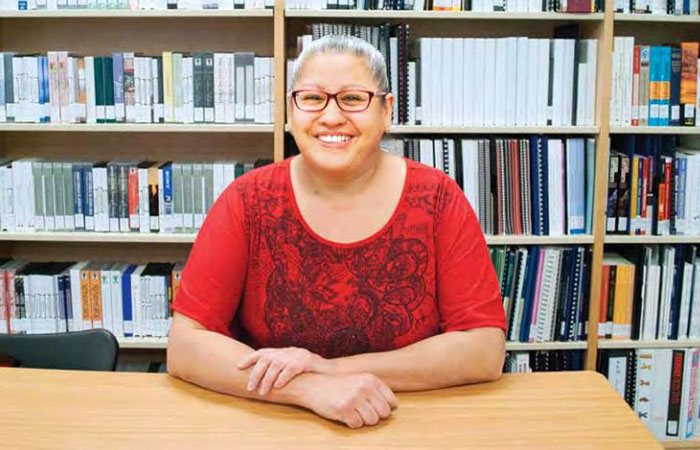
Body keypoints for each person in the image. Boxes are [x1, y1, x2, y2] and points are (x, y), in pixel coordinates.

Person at [167, 34, 506, 429]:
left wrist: (329, 369)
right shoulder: (248, 200)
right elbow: (185, 346)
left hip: (410, 424)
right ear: (291, 111)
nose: (330, 117)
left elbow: (483, 349)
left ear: (386, 111)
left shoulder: (437, 199)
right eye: (311, 98)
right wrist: (307, 390)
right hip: (270, 423)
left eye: (352, 99)